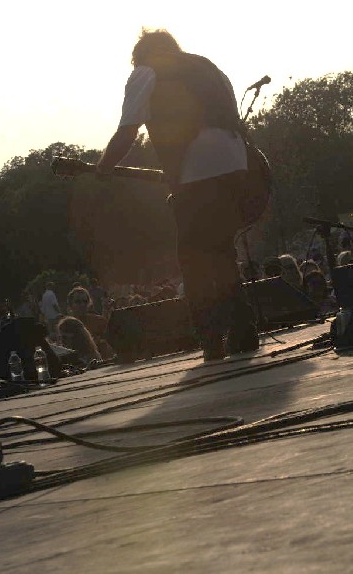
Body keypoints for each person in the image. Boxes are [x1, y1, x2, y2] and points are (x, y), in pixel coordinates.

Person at [96, 29, 259, 360]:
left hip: (195, 166)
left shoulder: (146, 71)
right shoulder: (208, 67)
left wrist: (103, 169)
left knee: (193, 256)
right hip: (235, 159)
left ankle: (211, 340)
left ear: (141, 55)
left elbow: (128, 131)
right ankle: (243, 332)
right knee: (221, 249)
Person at [67, 286, 114, 360]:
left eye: (85, 301)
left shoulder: (98, 321)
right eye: (78, 302)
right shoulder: (66, 325)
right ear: (70, 305)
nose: (82, 304)